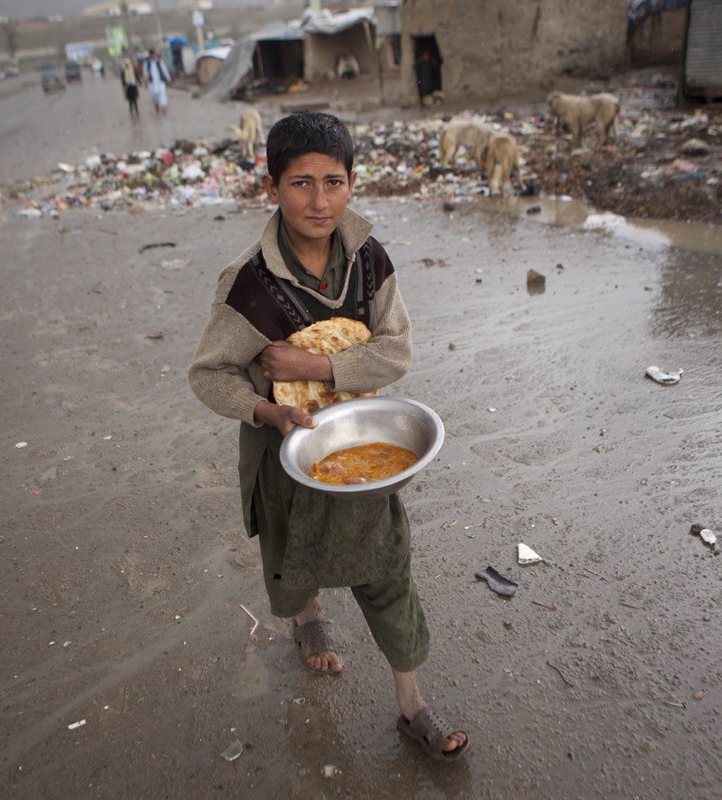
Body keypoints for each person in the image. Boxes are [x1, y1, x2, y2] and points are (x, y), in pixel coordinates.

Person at [188, 112, 469, 762]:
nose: (319, 201)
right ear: (273, 186)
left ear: (352, 183)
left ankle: (412, 705)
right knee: (296, 561)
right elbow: (210, 375)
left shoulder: (370, 263)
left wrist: (315, 366)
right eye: (301, 183)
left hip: (360, 442)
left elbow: (396, 352)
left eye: (334, 182)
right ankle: (309, 619)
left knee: (387, 568)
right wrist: (268, 411)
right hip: (283, 452)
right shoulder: (247, 283)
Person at [143, 49, 171, 115]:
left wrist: (168, 78)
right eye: (152, 54)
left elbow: (164, 69)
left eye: (154, 54)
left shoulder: (160, 61)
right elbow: (145, 73)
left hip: (160, 81)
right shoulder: (147, 63)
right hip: (152, 82)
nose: (154, 56)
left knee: (162, 95)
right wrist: (146, 81)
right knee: (153, 96)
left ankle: (163, 109)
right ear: (150, 55)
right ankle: (156, 106)